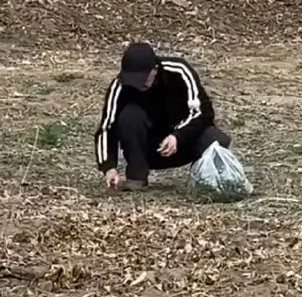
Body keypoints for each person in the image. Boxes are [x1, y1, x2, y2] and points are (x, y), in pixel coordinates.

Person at [95, 42, 231, 193]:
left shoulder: (179, 71)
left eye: (142, 79)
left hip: (184, 142)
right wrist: (108, 167)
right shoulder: (120, 85)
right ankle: (136, 176)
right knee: (130, 115)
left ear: (155, 70)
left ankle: (205, 176)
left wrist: (178, 136)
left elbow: (203, 113)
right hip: (149, 148)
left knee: (215, 139)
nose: (138, 85)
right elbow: (106, 128)